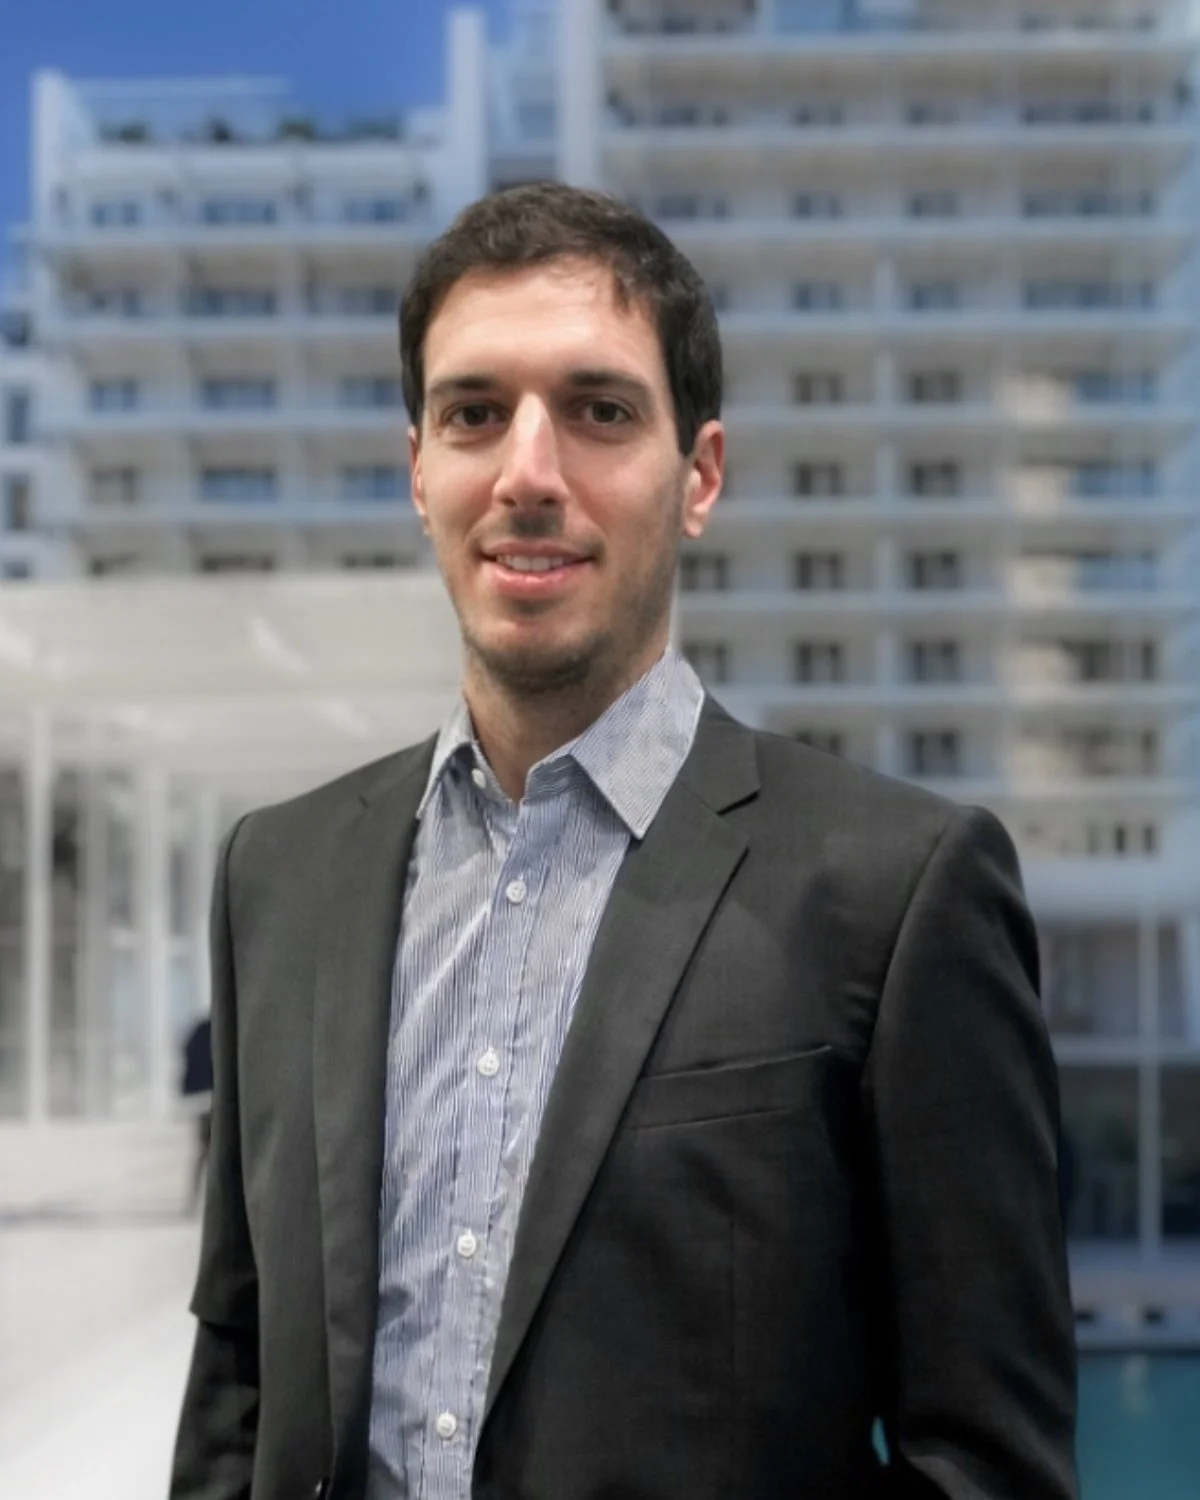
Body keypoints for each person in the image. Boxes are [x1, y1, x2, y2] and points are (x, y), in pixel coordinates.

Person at [170, 183, 1079, 1500]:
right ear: (418, 471)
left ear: (698, 475)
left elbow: (985, 1461)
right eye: (475, 413)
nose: (529, 473)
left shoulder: (896, 893)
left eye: (599, 411)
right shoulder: (280, 876)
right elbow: (239, 1375)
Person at [179, 1013, 213, 1213]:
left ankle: (194, 1201)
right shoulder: (209, 1030)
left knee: (204, 1151)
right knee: (208, 1151)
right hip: (208, 1098)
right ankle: (195, 1201)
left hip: (204, 1098)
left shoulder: (202, 1029)